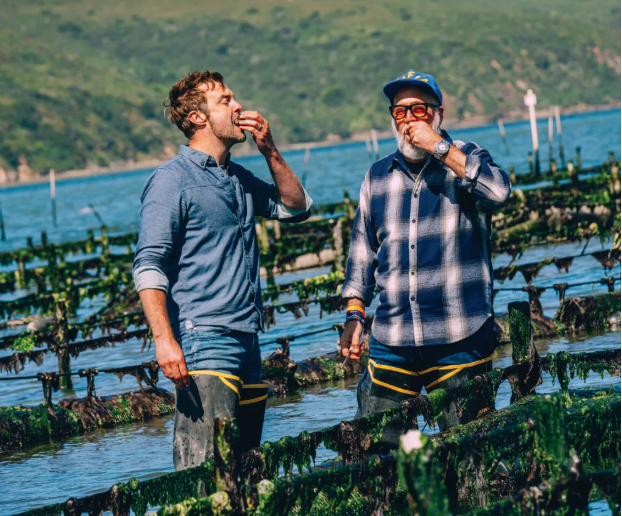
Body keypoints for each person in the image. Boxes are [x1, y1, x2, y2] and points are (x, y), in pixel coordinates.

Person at [133, 70, 312, 470]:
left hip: (248, 339)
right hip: (204, 339)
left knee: (244, 469)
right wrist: (164, 341)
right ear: (198, 117)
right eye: (226, 100)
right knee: (204, 469)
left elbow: (296, 208)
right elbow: (148, 264)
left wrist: (270, 150)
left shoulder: (238, 177)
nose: (238, 106)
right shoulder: (170, 181)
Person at [339, 70, 511, 447]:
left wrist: (440, 149)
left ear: (438, 114)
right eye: (400, 112)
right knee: (377, 449)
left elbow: (499, 193)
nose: (409, 120)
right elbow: (361, 256)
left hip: (458, 334)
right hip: (392, 337)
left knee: (471, 451)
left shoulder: (467, 158)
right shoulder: (377, 176)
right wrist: (354, 315)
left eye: (419, 109)